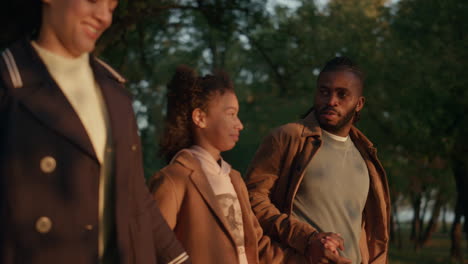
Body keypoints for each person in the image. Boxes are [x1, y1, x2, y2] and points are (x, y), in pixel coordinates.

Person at [0, 0, 189, 263]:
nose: (104, 17)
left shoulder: (115, 90)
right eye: (93, 1)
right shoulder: (10, 83)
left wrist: (179, 259)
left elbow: (135, 196)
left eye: (111, 7)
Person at [148, 66, 307, 264]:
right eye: (231, 114)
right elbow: (151, 247)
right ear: (200, 118)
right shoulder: (172, 180)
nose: (239, 124)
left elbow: (257, 247)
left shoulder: (235, 179)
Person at [245, 57, 391, 264]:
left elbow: (366, 231)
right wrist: (307, 239)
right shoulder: (288, 138)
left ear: (359, 104)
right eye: (324, 92)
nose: (331, 101)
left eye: (342, 94)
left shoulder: (366, 157)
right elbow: (252, 200)